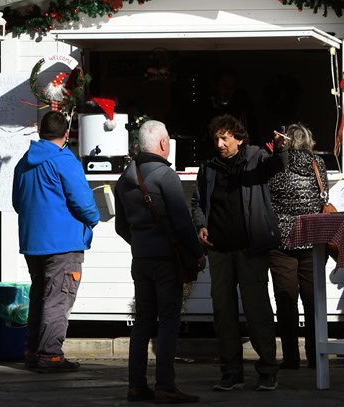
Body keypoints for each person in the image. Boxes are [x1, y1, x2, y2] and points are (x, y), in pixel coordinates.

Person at [190, 114, 288, 392]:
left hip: (251, 248)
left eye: (225, 138)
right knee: (223, 312)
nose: (219, 143)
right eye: (216, 138)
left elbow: (277, 166)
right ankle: (231, 372)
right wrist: (201, 225)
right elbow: (197, 202)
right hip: (219, 250)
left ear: (239, 138)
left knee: (257, 311)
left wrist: (282, 148)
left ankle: (268, 370)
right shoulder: (208, 167)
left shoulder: (256, 158)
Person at [114, 120, 206, 403]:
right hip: (166, 260)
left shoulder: (125, 179)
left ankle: (136, 385)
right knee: (168, 321)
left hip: (140, 259)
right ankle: (165, 385)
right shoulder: (166, 177)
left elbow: (120, 227)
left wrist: (141, 243)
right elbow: (182, 222)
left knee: (142, 322)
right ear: (164, 144)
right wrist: (198, 254)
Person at [12, 111, 100, 373]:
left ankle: (32, 351)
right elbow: (84, 203)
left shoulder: (23, 163)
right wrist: (93, 219)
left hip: (33, 241)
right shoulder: (65, 160)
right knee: (58, 300)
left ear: (40, 132)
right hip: (63, 242)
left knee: (40, 297)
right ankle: (50, 355)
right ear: (65, 135)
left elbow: (18, 203)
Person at [267, 123, 329, 370]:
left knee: (286, 300)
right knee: (313, 301)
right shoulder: (318, 164)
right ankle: (316, 356)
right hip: (313, 240)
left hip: (281, 242)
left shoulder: (275, 164)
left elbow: (267, 195)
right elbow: (324, 196)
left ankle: (291, 357)